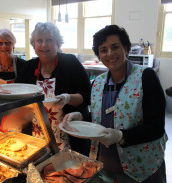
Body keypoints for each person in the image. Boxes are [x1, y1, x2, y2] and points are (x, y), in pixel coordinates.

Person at [62, 25, 167, 183]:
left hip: (141, 166)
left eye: (115, 47)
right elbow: (101, 118)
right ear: (99, 55)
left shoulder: (146, 77)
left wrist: (121, 136)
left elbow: (156, 127)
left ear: (126, 48)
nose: (109, 54)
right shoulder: (98, 83)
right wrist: (81, 116)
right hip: (105, 163)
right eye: (103, 50)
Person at [16, 22, 91, 151]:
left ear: (57, 43)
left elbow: (87, 96)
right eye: (39, 40)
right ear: (34, 45)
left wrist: (68, 98)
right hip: (36, 134)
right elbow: (17, 95)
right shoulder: (28, 67)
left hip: (69, 133)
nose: (44, 44)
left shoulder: (70, 63)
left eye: (49, 40)